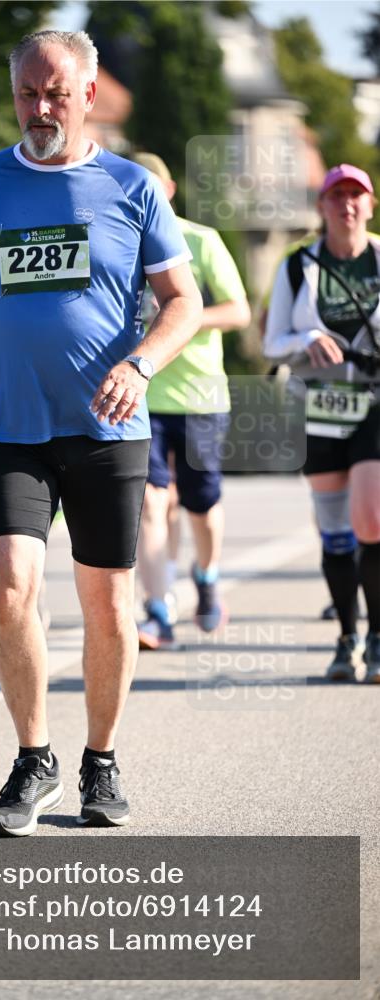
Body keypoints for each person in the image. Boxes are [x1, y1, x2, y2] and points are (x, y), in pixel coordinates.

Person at [0, 29, 202, 836]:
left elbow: (183, 303)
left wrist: (139, 365)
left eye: (55, 94)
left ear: (88, 95)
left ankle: (99, 762)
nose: (40, 108)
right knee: (6, 593)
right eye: (27, 94)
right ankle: (33, 756)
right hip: (9, 425)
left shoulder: (132, 188)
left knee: (107, 608)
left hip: (107, 429)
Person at [264, 163, 380, 684]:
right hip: (319, 406)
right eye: (337, 197)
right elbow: (272, 341)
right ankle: (346, 637)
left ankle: (377, 636)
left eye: (356, 196)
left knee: (371, 521)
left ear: (370, 205)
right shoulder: (297, 266)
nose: (347, 205)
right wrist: (305, 340)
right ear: (322, 206)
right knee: (334, 533)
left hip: (375, 406)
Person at [132, 154, 251, 650]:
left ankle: (206, 575)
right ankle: (158, 611)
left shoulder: (201, 241)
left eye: (152, 188)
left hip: (201, 395)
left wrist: (181, 314)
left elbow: (239, 311)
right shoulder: (120, 244)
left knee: (201, 506)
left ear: (171, 189)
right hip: (143, 392)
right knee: (150, 504)